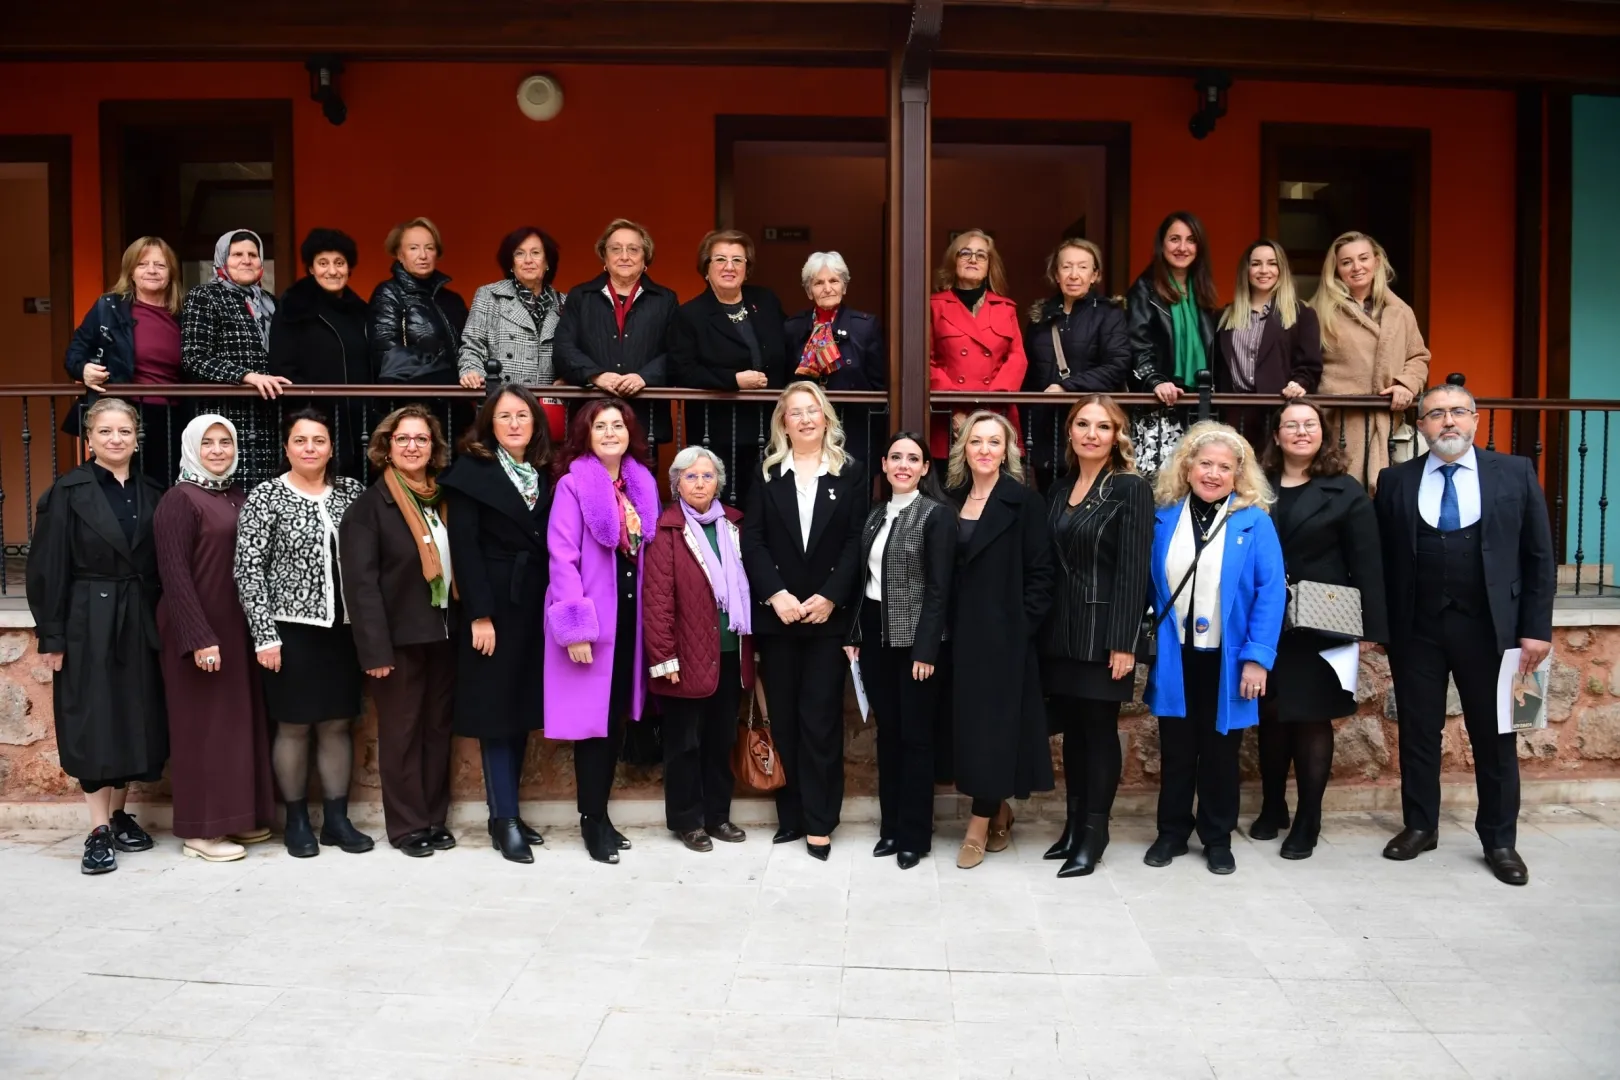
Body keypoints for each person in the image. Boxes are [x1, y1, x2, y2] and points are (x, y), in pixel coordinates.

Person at [1374, 383, 1556, 886]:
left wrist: (1536, 629)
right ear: (1421, 426)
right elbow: (1383, 559)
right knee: (1418, 731)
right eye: (1436, 414)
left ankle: (1499, 840)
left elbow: (1539, 556)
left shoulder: (1515, 472)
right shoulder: (1395, 480)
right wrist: (1381, 626)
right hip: (1418, 630)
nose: (1448, 421)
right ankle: (1420, 826)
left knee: (1496, 737)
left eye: (1458, 411)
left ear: (1475, 419)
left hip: (1493, 631)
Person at [26, 398, 167, 875]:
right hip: (87, 617)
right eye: (105, 431)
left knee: (133, 715)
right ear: (89, 439)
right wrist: (52, 634)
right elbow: (47, 568)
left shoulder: (152, 490)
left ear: (136, 437)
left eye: (124, 430)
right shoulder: (67, 492)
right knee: (93, 718)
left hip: (138, 615)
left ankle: (121, 815)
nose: (115, 439)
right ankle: (98, 829)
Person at [1144, 421, 1285, 875]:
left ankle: (1218, 838)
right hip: (1176, 654)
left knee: (1222, 751)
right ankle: (1171, 833)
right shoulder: (1162, 518)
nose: (1213, 474)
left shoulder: (1254, 521)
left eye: (1225, 467)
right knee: (1176, 749)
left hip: (1229, 657)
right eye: (1205, 464)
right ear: (1187, 468)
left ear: (1238, 475)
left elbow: (1270, 593)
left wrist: (1257, 659)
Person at [233, 407, 373, 858]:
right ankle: (296, 821)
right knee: (293, 726)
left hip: (343, 631)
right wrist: (264, 634)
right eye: (300, 440)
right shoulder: (267, 496)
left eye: (318, 440)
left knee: (337, 723)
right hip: (289, 632)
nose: (310, 448)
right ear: (287, 447)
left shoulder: (351, 492)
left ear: (331, 448)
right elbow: (248, 570)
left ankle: (336, 820)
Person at [1252, 399, 1388, 858]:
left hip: (1323, 623)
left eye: (1310, 424)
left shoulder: (1345, 490)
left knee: (1311, 718)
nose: (1301, 431)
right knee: (1270, 715)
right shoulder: (1257, 486)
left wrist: (1371, 629)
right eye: (1291, 424)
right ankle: (1273, 806)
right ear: (1276, 435)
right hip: (1266, 620)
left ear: (1323, 434)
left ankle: (1309, 819)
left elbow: (1367, 562)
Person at [741, 381, 868, 860]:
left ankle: (820, 820)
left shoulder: (850, 472)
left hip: (826, 621)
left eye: (813, 410)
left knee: (820, 721)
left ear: (826, 417)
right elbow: (753, 540)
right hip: (779, 619)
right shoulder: (767, 473)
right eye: (795, 412)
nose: (806, 418)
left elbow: (856, 540)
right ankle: (790, 816)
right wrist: (776, 594)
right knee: (786, 720)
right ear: (783, 423)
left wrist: (831, 597)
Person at [1038, 395, 1153, 877]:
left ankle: (1095, 833)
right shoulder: (1058, 488)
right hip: (1060, 633)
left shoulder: (1129, 488)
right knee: (1072, 734)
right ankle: (1072, 827)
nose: (1091, 434)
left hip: (1104, 635)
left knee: (1099, 732)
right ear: (1070, 431)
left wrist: (1124, 640)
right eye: (1083, 424)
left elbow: (1133, 568)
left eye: (1103, 426)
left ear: (1116, 436)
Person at [153, 413, 276, 863]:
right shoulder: (179, 500)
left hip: (236, 629)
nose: (218, 450)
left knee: (235, 726)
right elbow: (175, 576)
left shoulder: (234, 496)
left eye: (226, 442)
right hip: (199, 633)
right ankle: (201, 832)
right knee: (202, 731)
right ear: (192, 448)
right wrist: (198, 637)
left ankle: (237, 816)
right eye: (208, 443)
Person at [439, 386, 553, 863]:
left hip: (534, 604)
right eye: (504, 416)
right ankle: (503, 820)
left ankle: (507, 813)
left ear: (535, 422)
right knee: (495, 713)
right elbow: (464, 549)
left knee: (520, 709)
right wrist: (479, 615)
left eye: (522, 415)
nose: (514, 424)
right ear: (489, 424)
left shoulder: (543, 472)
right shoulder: (472, 472)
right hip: (493, 608)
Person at [544, 399, 661, 864]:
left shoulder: (641, 483)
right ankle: (591, 820)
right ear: (586, 436)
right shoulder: (573, 485)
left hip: (629, 618)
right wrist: (574, 627)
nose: (611, 433)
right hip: (592, 622)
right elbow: (562, 556)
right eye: (600, 426)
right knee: (593, 726)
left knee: (614, 722)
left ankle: (603, 816)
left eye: (618, 425)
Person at [339, 405, 457, 858]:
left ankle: (433, 818)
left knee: (436, 730)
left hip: (442, 635)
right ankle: (408, 826)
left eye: (421, 439)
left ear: (433, 448)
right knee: (402, 734)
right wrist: (375, 651)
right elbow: (361, 586)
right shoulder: (370, 507)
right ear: (386, 447)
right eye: (403, 438)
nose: (412, 446)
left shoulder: (441, 500)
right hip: (397, 641)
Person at [944, 410, 1054, 869]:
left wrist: (1017, 628)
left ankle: (977, 826)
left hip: (1003, 640)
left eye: (994, 441)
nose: (985, 449)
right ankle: (999, 810)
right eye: (976, 441)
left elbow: (1042, 575)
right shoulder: (949, 498)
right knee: (966, 735)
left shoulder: (1024, 502)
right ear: (963, 449)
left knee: (993, 734)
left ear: (1007, 450)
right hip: (955, 639)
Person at [846, 431, 954, 870]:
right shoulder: (875, 515)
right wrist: (854, 635)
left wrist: (926, 650)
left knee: (916, 738)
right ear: (885, 465)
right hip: (875, 636)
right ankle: (890, 828)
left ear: (925, 468)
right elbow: (863, 583)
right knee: (888, 734)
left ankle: (914, 835)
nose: (903, 465)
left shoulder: (936, 515)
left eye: (913, 459)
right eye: (896, 457)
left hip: (916, 642)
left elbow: (940, 588)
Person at [644, 446, 754, 851]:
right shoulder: (667, 529)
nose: (700, 483)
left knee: (721, 740)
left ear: (718, 482)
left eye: (707, 476)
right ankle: (687, 821)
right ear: (676, 484)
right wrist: (663, 657)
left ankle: (717, 816)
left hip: (730, 653)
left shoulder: (735, 525)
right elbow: (657, 601)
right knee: (684, 744)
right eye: (690, 477)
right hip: (684, 656)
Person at [670, 229, 789, 504]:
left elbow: (789, 347)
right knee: (725, 503)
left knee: (769, 502)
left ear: (747, 268)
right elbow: (681, 371)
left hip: (770, 425)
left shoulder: (766, 302)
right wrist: (733, 380)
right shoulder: (690, 314)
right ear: (706, 268)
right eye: (720, 259)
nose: (729, 267)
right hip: (719, 429)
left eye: (737, 260)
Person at [1311, 231, 1431, 491]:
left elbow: (1418, 356)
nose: (1357, 267)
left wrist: (1405, 384)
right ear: (1336, 270)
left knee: (1393, 497)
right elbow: (1307, 364)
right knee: (1346, 496)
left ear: (1376, 261)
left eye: (1363, 258)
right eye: (1346, 262)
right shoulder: (1318, 312)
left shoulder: (1401, 311)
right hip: (1342, 423)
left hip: (1389, 422)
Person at [64, 236, 185, 484]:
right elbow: (75, 352)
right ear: (131, 272)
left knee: (168, 487)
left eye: (160, 265)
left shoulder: (185, 312)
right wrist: (83, 370)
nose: (152, 270)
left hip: (174, 416)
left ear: (171, 273)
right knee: (122, 487)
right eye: (142, 264)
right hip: (123, 413)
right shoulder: (109, 307)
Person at [554, 219, 680, 446]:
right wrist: (596, 376)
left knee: (641, 471)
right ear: (604, 255)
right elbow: (563, 348)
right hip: (591, 415)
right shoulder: (581, 296)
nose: (624, 256)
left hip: (645, 416)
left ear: (645, 257)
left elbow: (677, 352)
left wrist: (644, 377)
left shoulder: (665, 299)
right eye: (616, 249)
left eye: (633, 249)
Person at [181, 229, 292, 487]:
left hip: (268, 417)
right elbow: (193, 357)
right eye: (237, 254)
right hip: (226, 416)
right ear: (222, 259)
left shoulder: (271, 302)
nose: (246, 260)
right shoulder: (204, 297)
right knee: (231, 490)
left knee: (266, 490)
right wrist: (246, 376)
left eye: (253, 254)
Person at [1023, 237, 1129, 488]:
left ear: (1095, 275)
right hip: (1046, 432)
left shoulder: (1109, 314)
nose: (1074, 274)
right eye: (1066, 266)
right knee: (1049, 497)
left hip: (1091, 428)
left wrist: (1066, 387)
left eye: (1082, 267)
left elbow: (1117, 364)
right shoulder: (1040, 318)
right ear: (1056, 274)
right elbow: (1028, 373)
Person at [267, 228, 372, 478]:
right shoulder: (294, 306)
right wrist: (310, 409)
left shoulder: (360, 310)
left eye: (339, 263)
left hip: (360, 423)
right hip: (314, 422)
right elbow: (282, 365)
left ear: (349, 267)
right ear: (311, 268)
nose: (332, 271)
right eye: (323, 263)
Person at [1126, 212, 1220, 476]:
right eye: (1174, 239)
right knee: (1160, 486)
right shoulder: (1144, 289)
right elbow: (1137, 343)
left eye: (1191, 240)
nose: (1182, 247)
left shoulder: (1202, 291)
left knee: (1198, 482)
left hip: (1199, 407)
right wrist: (1154, 381)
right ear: (1162, 244)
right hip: (1160, 405)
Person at [928, 229, 1027, 460]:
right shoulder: (934, 306)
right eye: (965, 253)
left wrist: (989, 409)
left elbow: (1017, 359)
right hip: (949, 417)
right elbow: (925, 362)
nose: (973, 259)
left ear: (989, 265)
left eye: (981, 255)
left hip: (996, 414)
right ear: (953, 261)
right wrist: (954, 410)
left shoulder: (1006, 308)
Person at [1214, 239, 1322, 450]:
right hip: (1234, 416)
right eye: (1256, 264)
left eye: (1272, 263)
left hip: (1279, 413)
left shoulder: (1302, 314)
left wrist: (1299, 383)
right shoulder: (1224, 316)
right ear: (1246, 270)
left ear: (1281, 269)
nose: (1264, 270)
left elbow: (1310, 365)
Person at [458, 226, 564, 391]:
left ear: (547, 262)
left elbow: (574, 353)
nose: (528, 260)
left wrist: (568, 378)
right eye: (519, 253)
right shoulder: (489, 295)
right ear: (511, 264)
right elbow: (472, 346)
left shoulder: (564, 303)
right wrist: (472, 372)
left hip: (547, 400)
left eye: (535, 253)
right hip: (502, 398)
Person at [368, 217, 469, 385]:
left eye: (429, 248)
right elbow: (387, 355)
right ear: (399, 254)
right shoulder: (389, 293)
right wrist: (449, 374)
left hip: (457, 396)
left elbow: (471, 349)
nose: (423, 255)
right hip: (413, 396)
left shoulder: (453, 300)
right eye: (413, 248)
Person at [783, 251, 886, 391]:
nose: (827, 289)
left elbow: (878, 387)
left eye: (833, 281)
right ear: (809, 292)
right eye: (819, 283)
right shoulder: (793, 327)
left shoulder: (866, 327)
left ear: (844, 287)